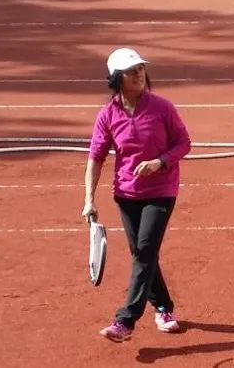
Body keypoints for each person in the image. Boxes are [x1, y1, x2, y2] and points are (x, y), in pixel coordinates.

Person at [85, 47, 192, 343]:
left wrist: (161, 162)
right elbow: (96, 157)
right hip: (126, 194)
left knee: (144, 251)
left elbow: (184, 143)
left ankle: (125, 320)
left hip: (161, 191)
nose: (140, 75)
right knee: (142, 253)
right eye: (132, 71)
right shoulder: (108, 115)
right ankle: (163, 307)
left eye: (141, 69)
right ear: (117, 78)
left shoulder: (162, 107)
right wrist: (88, 199)